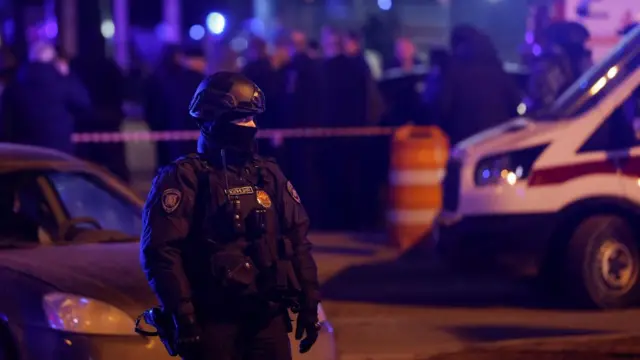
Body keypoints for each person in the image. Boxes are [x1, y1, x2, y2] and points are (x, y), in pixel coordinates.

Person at [139, 71, 321, 360]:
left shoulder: (268, 174)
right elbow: (161, 252)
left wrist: (310, 301)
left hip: (266, 318)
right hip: (213, 323)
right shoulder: (184, 178)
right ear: (214, 122)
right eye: (241, 119)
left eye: (253, 119)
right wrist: (183, 315)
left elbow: (298, 240)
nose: (250, 127)